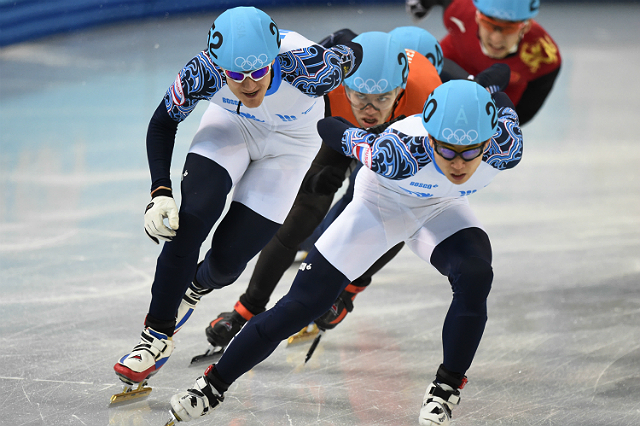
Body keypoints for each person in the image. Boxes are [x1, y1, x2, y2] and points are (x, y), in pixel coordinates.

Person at [167, 79, 523, 425]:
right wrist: (365, 139)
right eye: (446, 151)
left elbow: (503, 97)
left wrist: (487, 89)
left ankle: (445, 390)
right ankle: (212, 385)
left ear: (488, 141)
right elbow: (329, 126)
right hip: (380, 207)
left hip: (442, 208)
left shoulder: (505, 147)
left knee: (475, 275)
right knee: (301, 306)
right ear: (430, 138)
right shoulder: (396, 153)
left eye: (471, 152)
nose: (459, 164)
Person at [198, 28, 511, 357]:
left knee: (390, 208)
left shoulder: (431, 95)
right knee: (302, 212)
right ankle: (248, 308)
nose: (369, 109)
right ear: (345, 83)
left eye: (382, 98)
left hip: (397, 145)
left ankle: (348, 289)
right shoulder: (334, 73)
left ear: (402, 88)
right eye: (359, 95)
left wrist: (482, 87)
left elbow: (496, 79)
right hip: (344, 129)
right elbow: (336, 43)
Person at [111, 6, 363, 399]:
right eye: (236, 74)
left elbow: (353, 46)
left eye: (258, 71)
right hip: (231, 127)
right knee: (190, 221)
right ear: (219, 65)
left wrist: (341, 47)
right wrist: (160, 191)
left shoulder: (311, 67)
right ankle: (155, 337)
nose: (247, 84)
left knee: (228, 263)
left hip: (290, 147)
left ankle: (194, 286)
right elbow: (163, 122)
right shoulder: (205, 70)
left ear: (274, 57)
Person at [407, 0, 561, 125]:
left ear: (526, 27)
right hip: (456, 60)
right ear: (477, 16)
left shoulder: (544, 58)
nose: (496, 39)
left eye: (509, 29)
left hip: (503, 86)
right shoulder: (459, 9)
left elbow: (525, 111)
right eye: (488, 24)